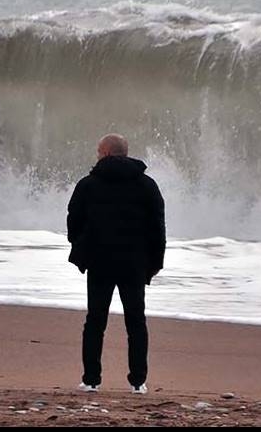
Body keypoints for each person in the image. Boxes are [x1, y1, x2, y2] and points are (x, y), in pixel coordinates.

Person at [66, 133, 166, 394]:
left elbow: (73, 220)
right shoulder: (147, 185)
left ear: (108, 153)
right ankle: (138, 382)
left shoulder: (88, 184)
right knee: (136, 321)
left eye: (99, 151)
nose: (97, 155)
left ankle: (90, 380)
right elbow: (158, 228)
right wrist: (154, 263)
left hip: (99, 261)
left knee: (95, 321)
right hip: (134, 262)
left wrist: (81, 249)